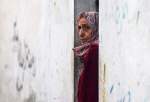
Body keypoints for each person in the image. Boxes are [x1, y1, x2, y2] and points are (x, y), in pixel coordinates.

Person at [73, 11, 99, 102]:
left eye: (87, 28)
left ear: (96, 28)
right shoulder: (88, 50)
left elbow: (91, 89)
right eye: (79, 28)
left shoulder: (93, 50)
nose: (81, 33)